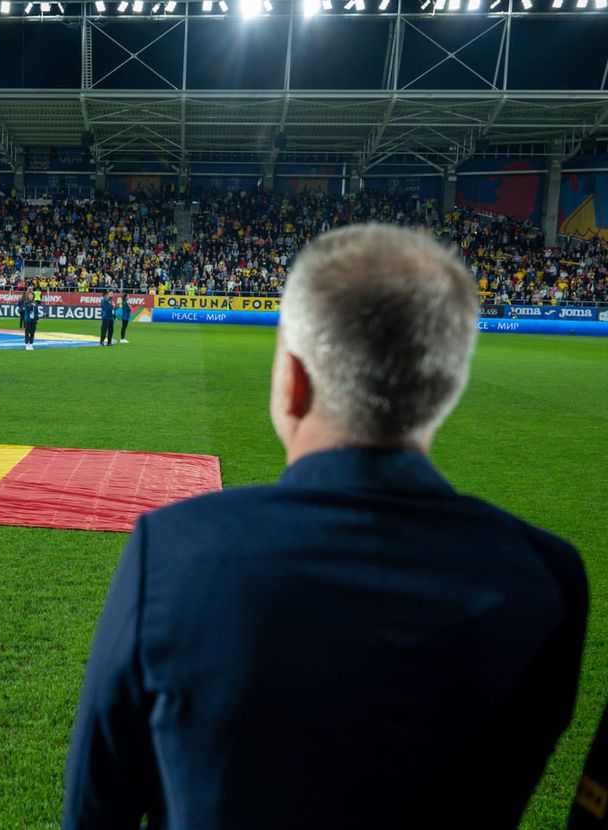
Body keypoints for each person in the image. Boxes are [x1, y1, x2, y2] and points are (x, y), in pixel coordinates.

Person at [64, 224, 588, 830]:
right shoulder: (548, 580)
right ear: (448, 386)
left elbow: (96, 809)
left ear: (293, 380)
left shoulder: (174, 550)